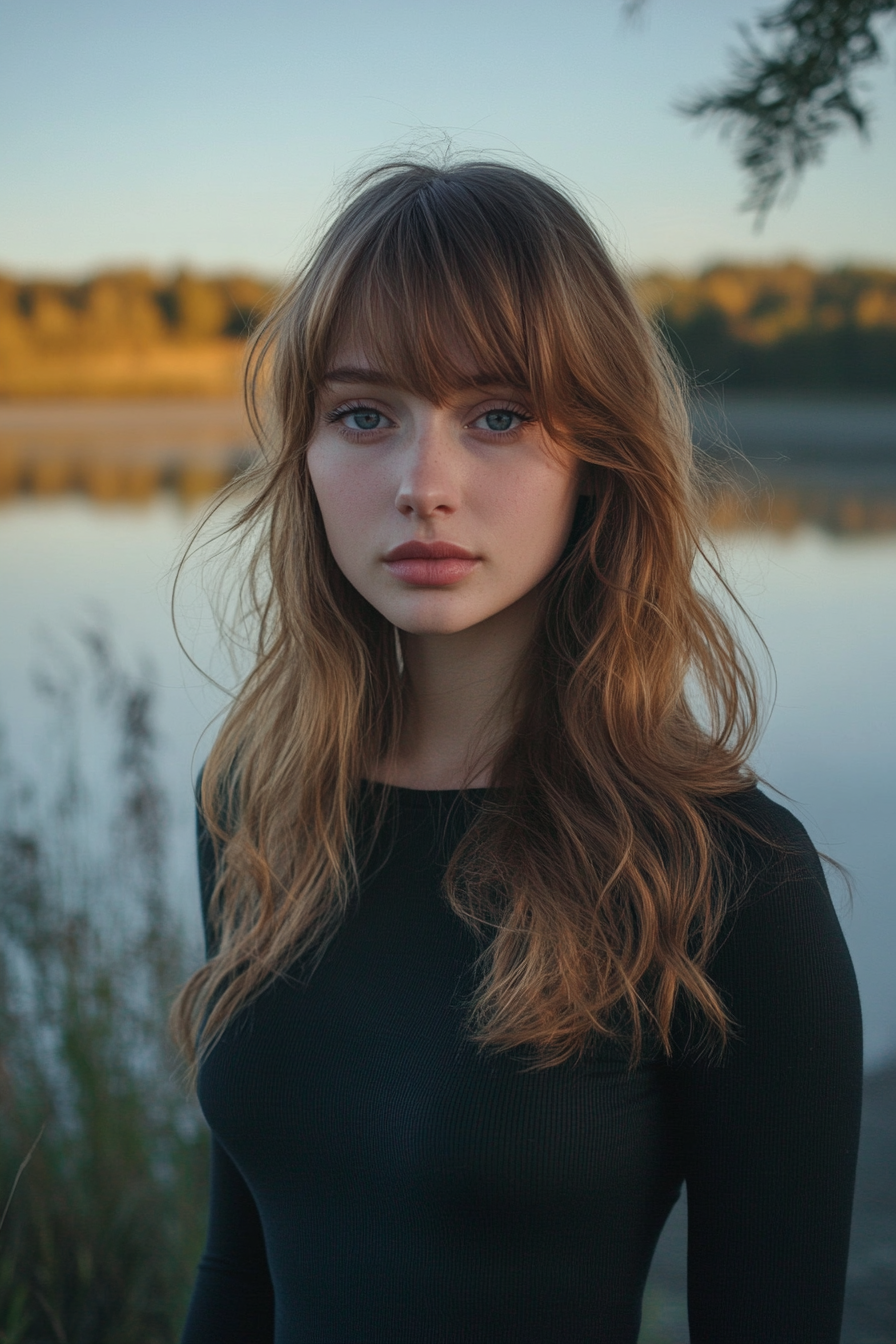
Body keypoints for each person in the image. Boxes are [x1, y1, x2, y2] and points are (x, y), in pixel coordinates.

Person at [174, 158, 862, 1344]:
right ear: (305, 455)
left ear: (596, 452)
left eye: (496, 416)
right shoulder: (254, 805)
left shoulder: (729, 875)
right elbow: (239, 1276)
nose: (422, 485)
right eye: (362, 414)